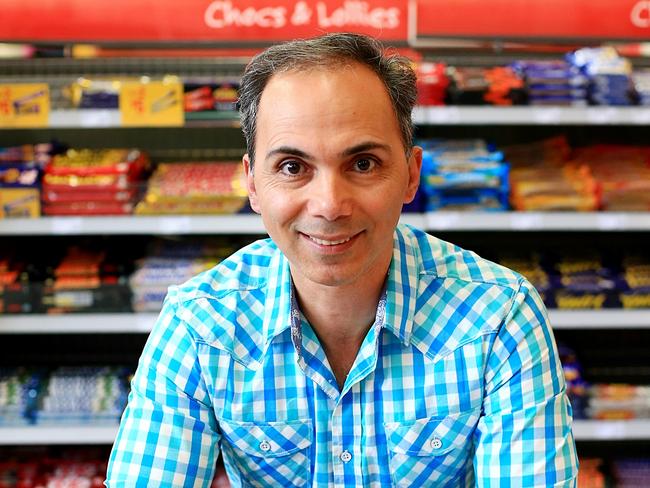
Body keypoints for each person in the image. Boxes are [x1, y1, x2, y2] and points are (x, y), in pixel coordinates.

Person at [105, 33, 578, 487]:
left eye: (364, 163)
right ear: (252, 184)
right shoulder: (200, 323)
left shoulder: (497, 316)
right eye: (293, 167)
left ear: (411, 176)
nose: (329, 205)